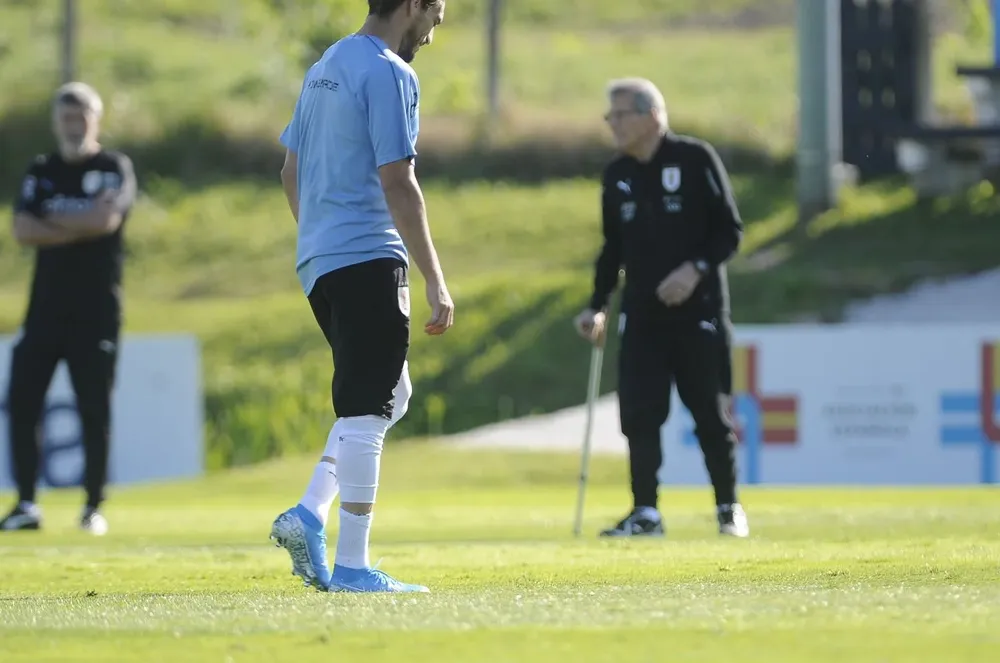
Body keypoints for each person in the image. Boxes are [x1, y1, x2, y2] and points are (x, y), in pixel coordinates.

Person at [269, 0, 453, 593]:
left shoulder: (326, 63)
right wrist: (436, 279)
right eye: (436, 11)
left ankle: (308, 513)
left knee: (390, 393)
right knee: (368, 410)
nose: (437, 26)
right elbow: (399, 181)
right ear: (412, 6)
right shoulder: (389, 72)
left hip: (319, 259)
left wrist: (319, 237)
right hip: (367, 256)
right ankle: (352, 567)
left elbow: (289, 172)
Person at [574, 77, 750, 539]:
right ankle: (646, 512)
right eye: (609, 115)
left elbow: (729, 230)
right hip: (643, 317)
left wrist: (693, 270)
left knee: (710, 414)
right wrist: (597, 305)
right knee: (640, 414)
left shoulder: (694, 159)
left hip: (701, 314)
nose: (610, 123)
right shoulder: (617, 175)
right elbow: (613, 248)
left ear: (650, 116)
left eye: (619, 114)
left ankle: (728, 508)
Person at [2, 82, 137, 536]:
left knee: (93, 408)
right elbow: (21, 229)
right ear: (55, 122)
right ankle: (25, 503)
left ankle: (93, 506)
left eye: (81, 116)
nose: (73, 125)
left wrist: (53, 221)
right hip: (43, 311)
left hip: (96, 310)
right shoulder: (41, 170)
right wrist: (80, 226)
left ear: (96, 119)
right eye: (66, 117)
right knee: (22, 402)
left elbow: (106, 220)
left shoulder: (113, 166)